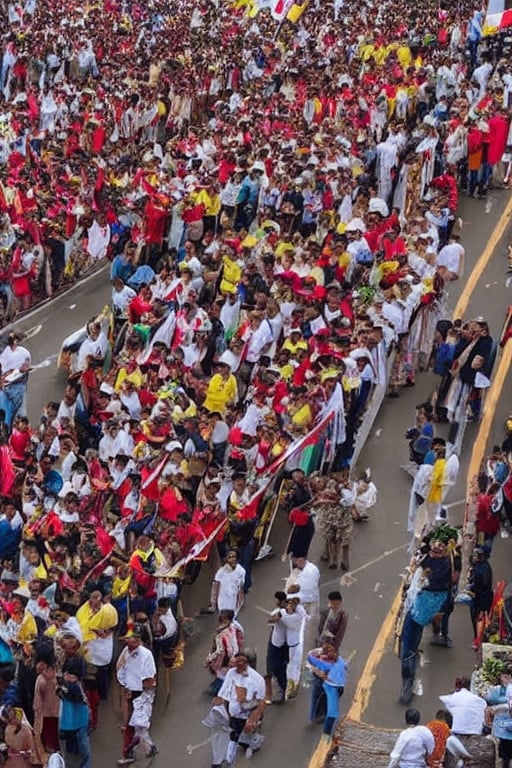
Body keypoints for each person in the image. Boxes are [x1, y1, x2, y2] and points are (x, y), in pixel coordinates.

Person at [116, 624, 158, 764]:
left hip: (142, 695)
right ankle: (130, 752)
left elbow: (149, 680)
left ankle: (144, 748)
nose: (132, 640)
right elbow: (120, 669)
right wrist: (125, 688)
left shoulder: (146, 655)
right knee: (130, 725)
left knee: (139, 726)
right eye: (131, 637)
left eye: (135, 638)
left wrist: (139, 694)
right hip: (129, 693)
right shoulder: (125, 652)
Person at [216, 653, 267, 764]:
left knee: (244, 738)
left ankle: (251, 743)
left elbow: (261, 702)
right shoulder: (231, 674)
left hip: (247, 715)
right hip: (234, 715)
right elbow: (225, 695)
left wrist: (253, 719)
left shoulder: (257, 680)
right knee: (234, 735)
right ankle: (229, 757)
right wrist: (226, 715)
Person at [307, 643, 347, 736]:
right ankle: (322, 714)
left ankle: (317, 716)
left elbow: (310, 657)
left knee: (318, 699)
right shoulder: (340, 662)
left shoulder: (324, 664)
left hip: (326, 685)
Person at [467, 547, 493, 649]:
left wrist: (471, 588)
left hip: (480, 600)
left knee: (477, 620)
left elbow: (479, 586)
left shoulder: (479, 570)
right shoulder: (485, 566)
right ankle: (479, 639)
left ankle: (478, 640)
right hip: (484, 599)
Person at [209, 551, 246, 617]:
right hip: (222, 604)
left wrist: (240, 603)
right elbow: (215, 589)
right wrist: (214, 604)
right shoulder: (220, 573)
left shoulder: (241, 571)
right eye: (230, 557)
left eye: (234, 557)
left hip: (233, 604)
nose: (232, 559)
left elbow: (241, 590)